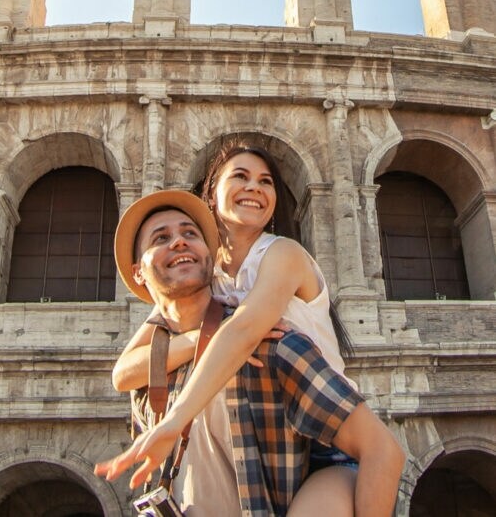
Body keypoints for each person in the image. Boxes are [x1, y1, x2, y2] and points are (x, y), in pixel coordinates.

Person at [95, 189, 405, 516]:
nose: (179, 242)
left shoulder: (270, 343)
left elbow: (381, 450)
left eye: (190, 233)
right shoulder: (151, 375)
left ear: (211, 256)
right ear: (137, 273)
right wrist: (201, 338)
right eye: (161, 237)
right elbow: (122, 374)